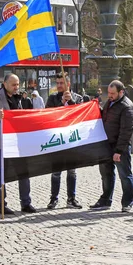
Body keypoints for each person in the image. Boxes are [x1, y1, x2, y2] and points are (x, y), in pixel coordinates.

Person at [0, 74, 36, 215]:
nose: (16, 87)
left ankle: (26, 202)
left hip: (18, 141)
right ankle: (1, 204)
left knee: (24, 173)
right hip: (1, 143)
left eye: (18, 84)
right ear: (5, 84)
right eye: (13, 84)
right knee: (1, 174)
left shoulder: (21, 98)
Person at [90, 80, 133, 212]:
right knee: (106, 174)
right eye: (108, 93)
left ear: (121, 92)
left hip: (120, 147)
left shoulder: (127, 106)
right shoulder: (110, 102)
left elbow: (126, 131)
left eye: (112, 93)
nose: (109, 95)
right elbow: (105, 117)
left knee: (125, 175)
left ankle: (128, 202)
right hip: (107, 145)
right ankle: (105, 200)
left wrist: (119, 151)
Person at [46, 72, 84, 209]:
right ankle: (53, 198)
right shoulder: (52, 98)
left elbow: (80, 115)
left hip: (72, 139)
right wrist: (61, 104)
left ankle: (71, 198)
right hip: (57, 139)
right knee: (56, 172)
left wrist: (71, 102)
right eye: (58, 83)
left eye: (62, 83)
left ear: (68, 84)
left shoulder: (78, 98)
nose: (59, 86)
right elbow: (48, 116)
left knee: (72, 171)